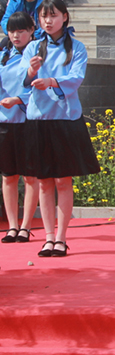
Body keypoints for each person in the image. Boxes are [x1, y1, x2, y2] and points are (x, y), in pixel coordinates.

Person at [23, 0, 100, 258]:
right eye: (44, 16)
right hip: (39, 119)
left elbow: (76, 78)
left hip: (65, 119)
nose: (48, 20)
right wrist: (32, 73)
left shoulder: (76, 47)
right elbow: (24, 82)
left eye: (53, 15)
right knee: (44, 183)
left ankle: (61, 237)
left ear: (64, 17)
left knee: (63, 181)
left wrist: (52, 81)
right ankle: (47, 237)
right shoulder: (33, 47)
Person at [0, 13, 38, 244]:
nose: (16, 35)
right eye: (12, 31)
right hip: (4, 121)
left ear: (31, 31)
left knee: (30, 175)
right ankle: (12, 226)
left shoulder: (37, 54)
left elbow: (38, 86)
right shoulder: (3, 55)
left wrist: (18, 99)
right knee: (8, 176)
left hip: (27, 121)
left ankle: (26, 226)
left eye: (21, 30)